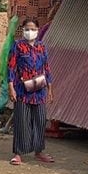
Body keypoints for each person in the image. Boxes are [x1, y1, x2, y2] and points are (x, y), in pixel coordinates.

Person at [7, 18, 54, 165]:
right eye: (27, 29)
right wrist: (11, 87)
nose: (30, 31)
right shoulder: (17, 45)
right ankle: (18, 153)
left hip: (39, 90)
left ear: (38, 30)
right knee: (22, 121)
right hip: (22, 90)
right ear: (23, 30)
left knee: (40, 121)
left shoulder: (41, 47)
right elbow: (11, 67)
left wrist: (50, 88)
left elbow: (46, 68)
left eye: (33, 29)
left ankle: (39, 151)